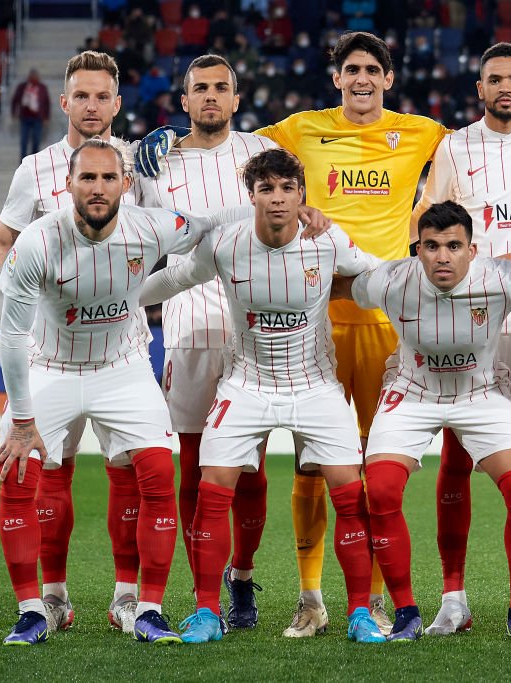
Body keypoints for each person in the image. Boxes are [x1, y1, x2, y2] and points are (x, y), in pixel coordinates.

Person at [134, 31, 511, 636]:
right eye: (351, 70)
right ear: (336, 78)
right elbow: (227, 148)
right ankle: (311, 596)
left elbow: (496, 144)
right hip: (316, 321)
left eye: (373, 69)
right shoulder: (295, 130)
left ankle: (370, 603)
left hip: (382, 320)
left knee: (364, 471)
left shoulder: (424, 133)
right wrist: (165, 138)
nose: (362, 78)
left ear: (388, 79)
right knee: (312, 471)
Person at [138, 148, 385, 645]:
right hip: (245, 383)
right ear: (250, 195)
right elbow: (176, 277)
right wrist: (122, 296)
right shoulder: (226, 242)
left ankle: (359, 611)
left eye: (287, 189)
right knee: (211, 490)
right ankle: (208, 610)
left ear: (302, 196)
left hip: (314, 384)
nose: (277, 199)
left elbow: (380, 274)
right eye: (266, 189)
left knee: (349, 494)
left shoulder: (327, 238)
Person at [0, 139, 237, 645]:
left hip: (122, 369)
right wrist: (21, 419)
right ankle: (35, 609)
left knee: (157, 471)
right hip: (50, 368)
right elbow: (12, 340)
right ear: (68, 185)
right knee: (17, 471)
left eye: (109, 178)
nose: (98, 188)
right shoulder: (37, 242)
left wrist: (287, 207)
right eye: (88, 178)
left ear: (126, 184)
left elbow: (213, 219)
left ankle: (144, 608)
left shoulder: (150, 227)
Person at [0, 51, 145, 635]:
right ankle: (53, 599)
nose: (91, 106)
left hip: (122, 347)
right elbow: (0, 240)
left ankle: (127, 597)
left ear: (117, 103)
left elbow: (165, 235)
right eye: (81, 95)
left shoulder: (140, 166)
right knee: (45, 470)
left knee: (127, 469)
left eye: (102, 96)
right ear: (64, 102)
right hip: (48, 350)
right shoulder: (34, 168)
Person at [410, 41, 511, 634]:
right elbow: (427, 226)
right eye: (493, 79)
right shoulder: (452, 147)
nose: (504, 87)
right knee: (456, 457)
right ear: (478, 89)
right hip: (472, 324)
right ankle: (452, 598)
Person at [330, 200, 511, 641]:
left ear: (472, 249)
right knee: (383, 491)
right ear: (418, 249)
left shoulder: (504, 279)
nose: (442, 256)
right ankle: (406, 611)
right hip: (412, 394)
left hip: (481, 395)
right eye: (431, 246)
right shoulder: (391, 280)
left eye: (453, 245)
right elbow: (329, 286)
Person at [132, 53, 278, 631]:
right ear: (184, 100)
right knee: (191, 472)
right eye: (200, 89)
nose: (211, 97)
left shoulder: (259, 154)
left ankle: (241, 579)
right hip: (189, 324)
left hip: (256, 326)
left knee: (252, 472)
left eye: (222, 88)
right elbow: (133, 233)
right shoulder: (155, 163)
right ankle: (203, 592)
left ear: (237, 100)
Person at [12, 69, 51, 160]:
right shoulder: (22, 87)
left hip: (38, 118)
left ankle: (34, 161)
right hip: (25, 117)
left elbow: (46, 103)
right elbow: (15, 100)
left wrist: (46, 117)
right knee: (24, 141)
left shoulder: (42, 88)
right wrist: (14, 112)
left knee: (36, 140)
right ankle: (23, 162)